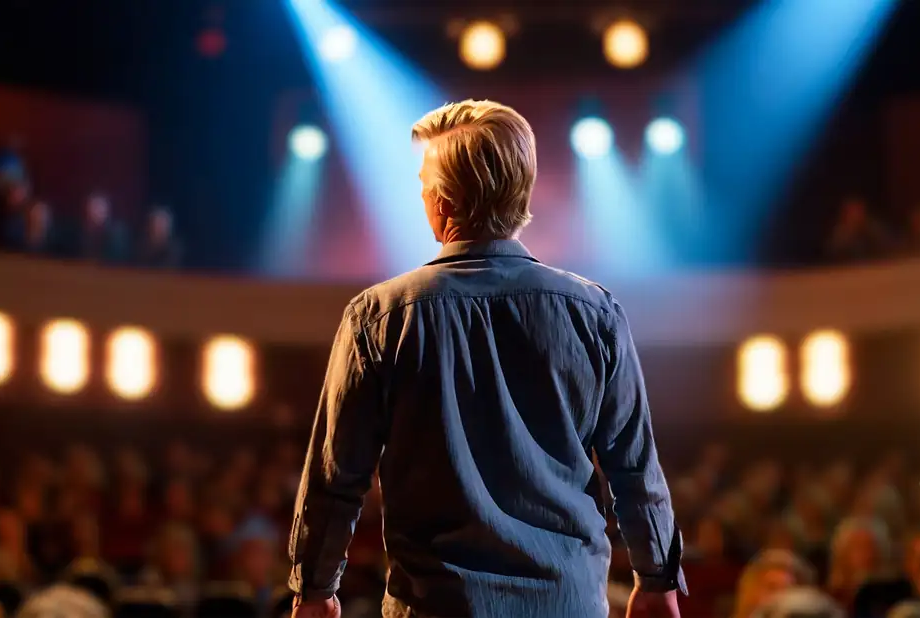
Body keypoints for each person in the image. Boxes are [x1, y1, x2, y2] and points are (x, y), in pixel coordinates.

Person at [288, 99, 685, 618]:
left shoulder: (379, 317)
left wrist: (315, 590)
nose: (421, 191)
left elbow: (336, 476)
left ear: (444, 199)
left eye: (423, 180)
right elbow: (634, 467)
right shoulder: (594, 313)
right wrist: (657, 578)